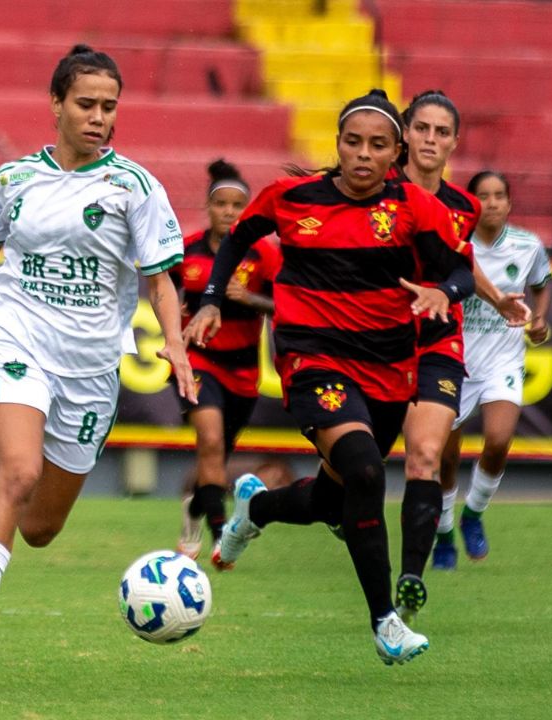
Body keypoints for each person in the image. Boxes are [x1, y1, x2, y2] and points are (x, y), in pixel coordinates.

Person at [0, 44, 196, 686]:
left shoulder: (136, 188)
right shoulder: (14, 180)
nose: (99, 117)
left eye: (109, 107)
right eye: (86, 104)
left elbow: (160, 281)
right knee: (16, 472)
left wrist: (174, 344)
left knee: (39, 528)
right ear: (57, 105)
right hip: (17, 338)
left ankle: (5, 520)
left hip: (91, 367)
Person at [185, 89, 474, 665]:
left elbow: (461, 270)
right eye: (352, 142)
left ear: (395, 153)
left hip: (389, 369)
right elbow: (239, 236)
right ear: (337, 144)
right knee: (366, 470)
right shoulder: (292, 198)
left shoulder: (415, 207)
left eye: (377, 145)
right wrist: (213, 298)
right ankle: (385, 622)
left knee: (332, 497)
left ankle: (257, 510)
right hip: (311, 357)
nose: (362, 154)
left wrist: (443, 291)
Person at [382, 91, 529, 623]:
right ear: (405, 133)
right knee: (349, 475)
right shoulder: (378, 190)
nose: (430, 140)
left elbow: (461, 263)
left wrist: (496, 300)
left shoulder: (461, 207)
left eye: (442, 132)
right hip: (372, 342)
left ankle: (414, 574)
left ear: (454, 143)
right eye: (421, 128)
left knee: (426, 454)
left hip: (438, 341)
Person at [432, 171, 552, 566]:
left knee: (499, 439)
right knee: (445, 459)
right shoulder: (455, 242)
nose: (493, 203)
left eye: (500, 195)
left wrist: (539, 322)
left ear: (510, 202)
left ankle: (474, 515)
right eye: (484, 196)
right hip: (455, 357)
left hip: (503, 357)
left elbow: (541, 283)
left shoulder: (527, 245)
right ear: (471, 203)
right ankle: (445, 532)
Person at [171, 159, 282, 561]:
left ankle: (196, 510)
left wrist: (248, 298)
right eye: (222, 204)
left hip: (244, 370)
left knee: (215, 463)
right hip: (197, 362)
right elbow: (161, 292)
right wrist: (174, 323)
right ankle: (221, 539)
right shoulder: (187, 252)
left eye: (238, 205)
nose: (230, 212)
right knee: (211, 441)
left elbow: (284, 305)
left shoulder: (263, 256)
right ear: (209, 206)